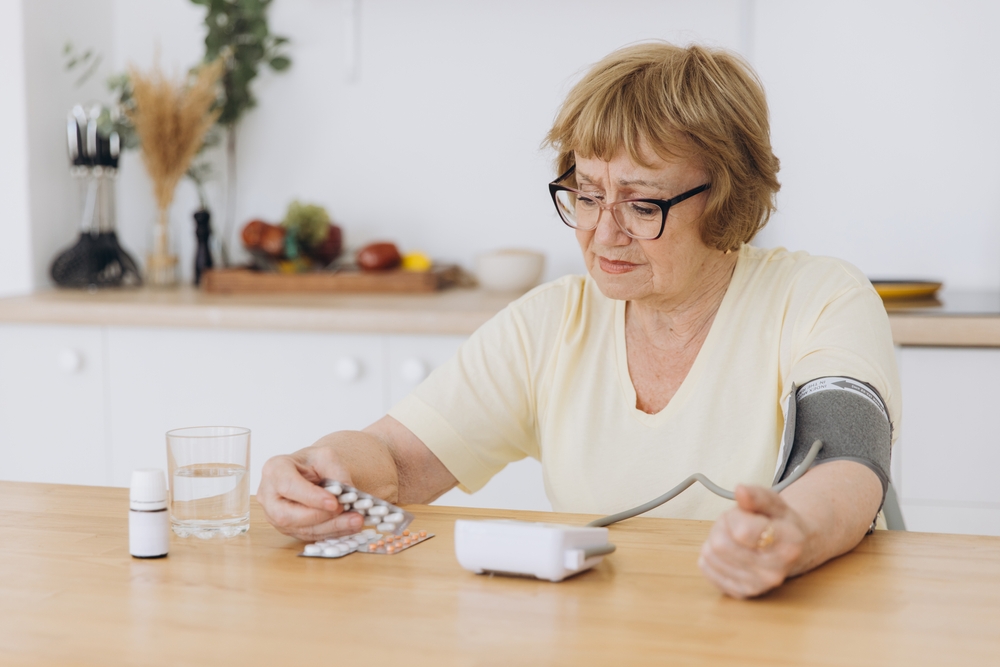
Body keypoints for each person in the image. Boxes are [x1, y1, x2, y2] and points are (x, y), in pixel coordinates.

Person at [258, 42, 900, 599]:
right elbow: (399, 460)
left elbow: (847, 464)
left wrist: (792, 532)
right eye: (587, 194)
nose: (604, 232)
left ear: (728, 197)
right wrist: (320, 472)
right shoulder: (550, 323)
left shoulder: (820, 297)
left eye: (642, 205)